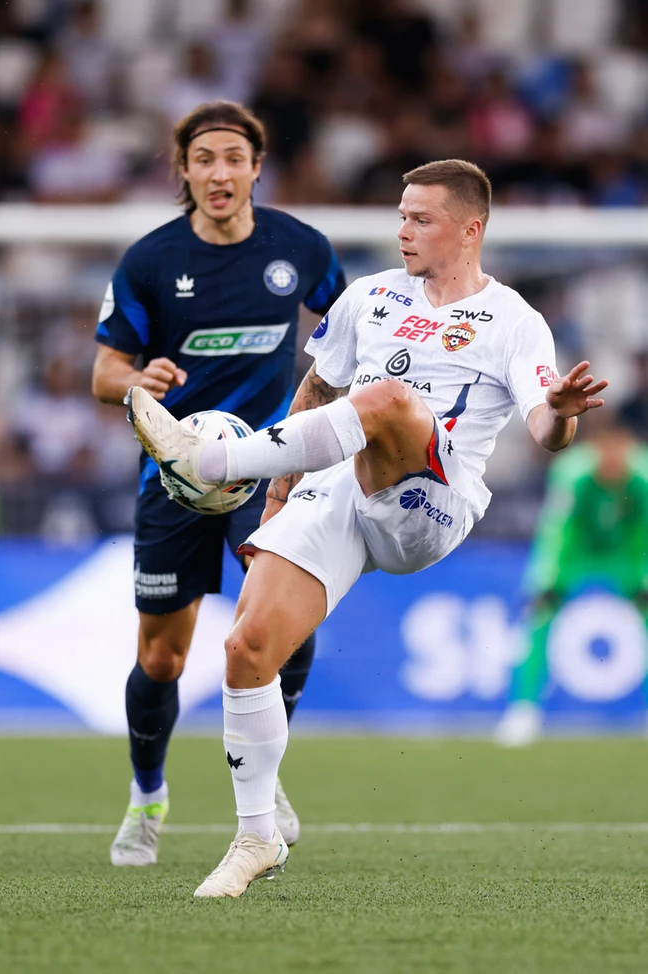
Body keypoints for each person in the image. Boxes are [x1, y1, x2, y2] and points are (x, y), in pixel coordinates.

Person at [128, 158, 607, 897]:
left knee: (388, 401)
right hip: (339, 486)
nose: (403, 230)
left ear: (469, 230)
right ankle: (256, 837)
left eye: (421, 219)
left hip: (431, 503)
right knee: (246, 649)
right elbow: (319, 387)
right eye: (401, 215)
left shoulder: (515, 320)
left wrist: (565, 416)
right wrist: (280, 491)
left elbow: (545, 428)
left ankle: (211, 460)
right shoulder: (370, 296)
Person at [91, 100, 346, 866]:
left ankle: (265, 776)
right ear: (184, 170)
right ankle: (147, 797)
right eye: (204, 159)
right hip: (173, 477)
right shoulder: (150, 261)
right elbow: (105, 373)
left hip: (264, 470)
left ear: (257, 167)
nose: (220, 172)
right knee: (162, 658)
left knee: (285, 621)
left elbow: (352, 331)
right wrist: (139, 380)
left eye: (234, 157)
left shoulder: (300, 249)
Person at [495, 420, 648, 747]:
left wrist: (643, 578)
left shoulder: (643, 477)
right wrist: (549, 580)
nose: (613, 461)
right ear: (595, 450)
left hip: (625, 553)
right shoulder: (572, 474)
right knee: (539, 618)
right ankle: (523, 710)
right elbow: (558, 529)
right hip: (576, 553)